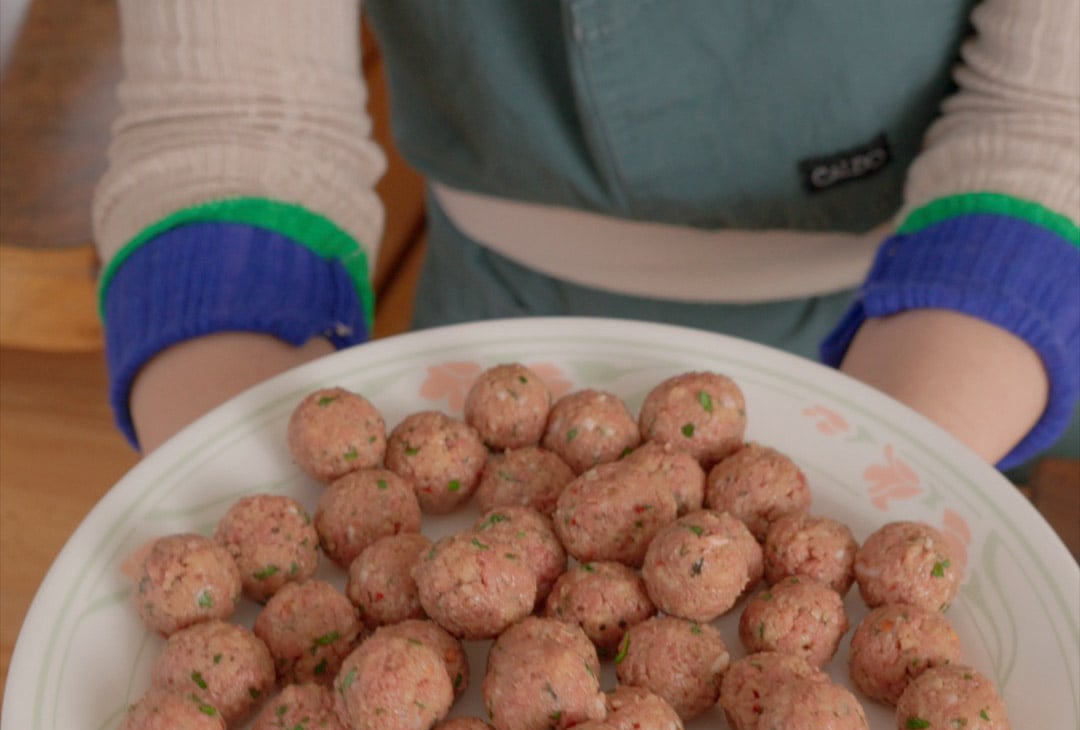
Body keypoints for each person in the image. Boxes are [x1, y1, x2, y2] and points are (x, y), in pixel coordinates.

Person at [92, 0, 1078, 469]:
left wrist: (894, 477)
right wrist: (239, 497)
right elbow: (230, 120)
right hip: (491, 320)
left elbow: (1052, 115)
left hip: (945, 339)